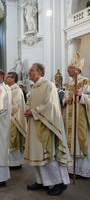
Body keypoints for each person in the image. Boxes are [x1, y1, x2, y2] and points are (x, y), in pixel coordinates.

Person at [24, 63, 70, 196]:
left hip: (45, 125)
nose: (29, 73)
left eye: (31, 70)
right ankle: (42, 181)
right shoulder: (34, 87)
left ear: (39, 72)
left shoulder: (48, 85)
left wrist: (34, 112)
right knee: (37, 155)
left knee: (48, 155)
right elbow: (30, 102)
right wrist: (28, 109)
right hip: (34, 124)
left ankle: (60, 183)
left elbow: (51, 106)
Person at [62, 52, 90, 178]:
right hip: (69, 117)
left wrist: (81, 96)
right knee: (70, 142)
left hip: (80, 118)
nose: (67, 70)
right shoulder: (69, 84)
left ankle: (83, 170)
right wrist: (66, 101)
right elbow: (65, 100)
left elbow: (88, 97)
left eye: (70, 68)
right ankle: (71, 168)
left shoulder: (85, 82)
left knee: (80, 142)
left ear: (77, 70)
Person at [5, 72, 27, 170]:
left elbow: (16, 105)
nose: (6, 78)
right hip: (8, 118)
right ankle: (10, 162)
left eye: (8, 77)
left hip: (14, 119)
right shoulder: (8, 89)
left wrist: (3, 110)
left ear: (13, 79)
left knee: (14, 140)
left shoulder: (17, 90)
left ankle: (16, 163)